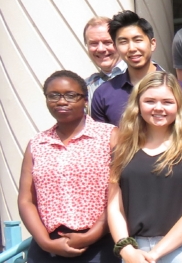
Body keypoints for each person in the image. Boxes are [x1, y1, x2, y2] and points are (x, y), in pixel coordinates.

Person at [106, 71, 182, 263]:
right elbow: (115, 207)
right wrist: (126, 249)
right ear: (138, 104)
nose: (158, 108)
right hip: (135, 250)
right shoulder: (122, 151)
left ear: (178, 106)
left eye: (167, 102)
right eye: (150, 101)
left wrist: (154, 255)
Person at [19, 71, 118, 262]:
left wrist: (91, 235)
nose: (61, 101)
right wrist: (45, 242)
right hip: (48, 247)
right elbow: (26, 200)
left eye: (71, 95)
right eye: (53, 95)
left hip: (100, 244)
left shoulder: (109, 136)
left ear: (85, 100)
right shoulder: (37, 144)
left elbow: (120, 193)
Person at [90, 10, 163, 126]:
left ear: (152, 43)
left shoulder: (178, 89)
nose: (132, 48)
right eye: (123, 42)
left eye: (138, 40)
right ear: (116, 47)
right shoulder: (103, 94)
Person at [82, 17, 126, 100]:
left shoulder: (141, 75)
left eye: (107, 42)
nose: (101, 49)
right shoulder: (86, 88)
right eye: (94, 43)